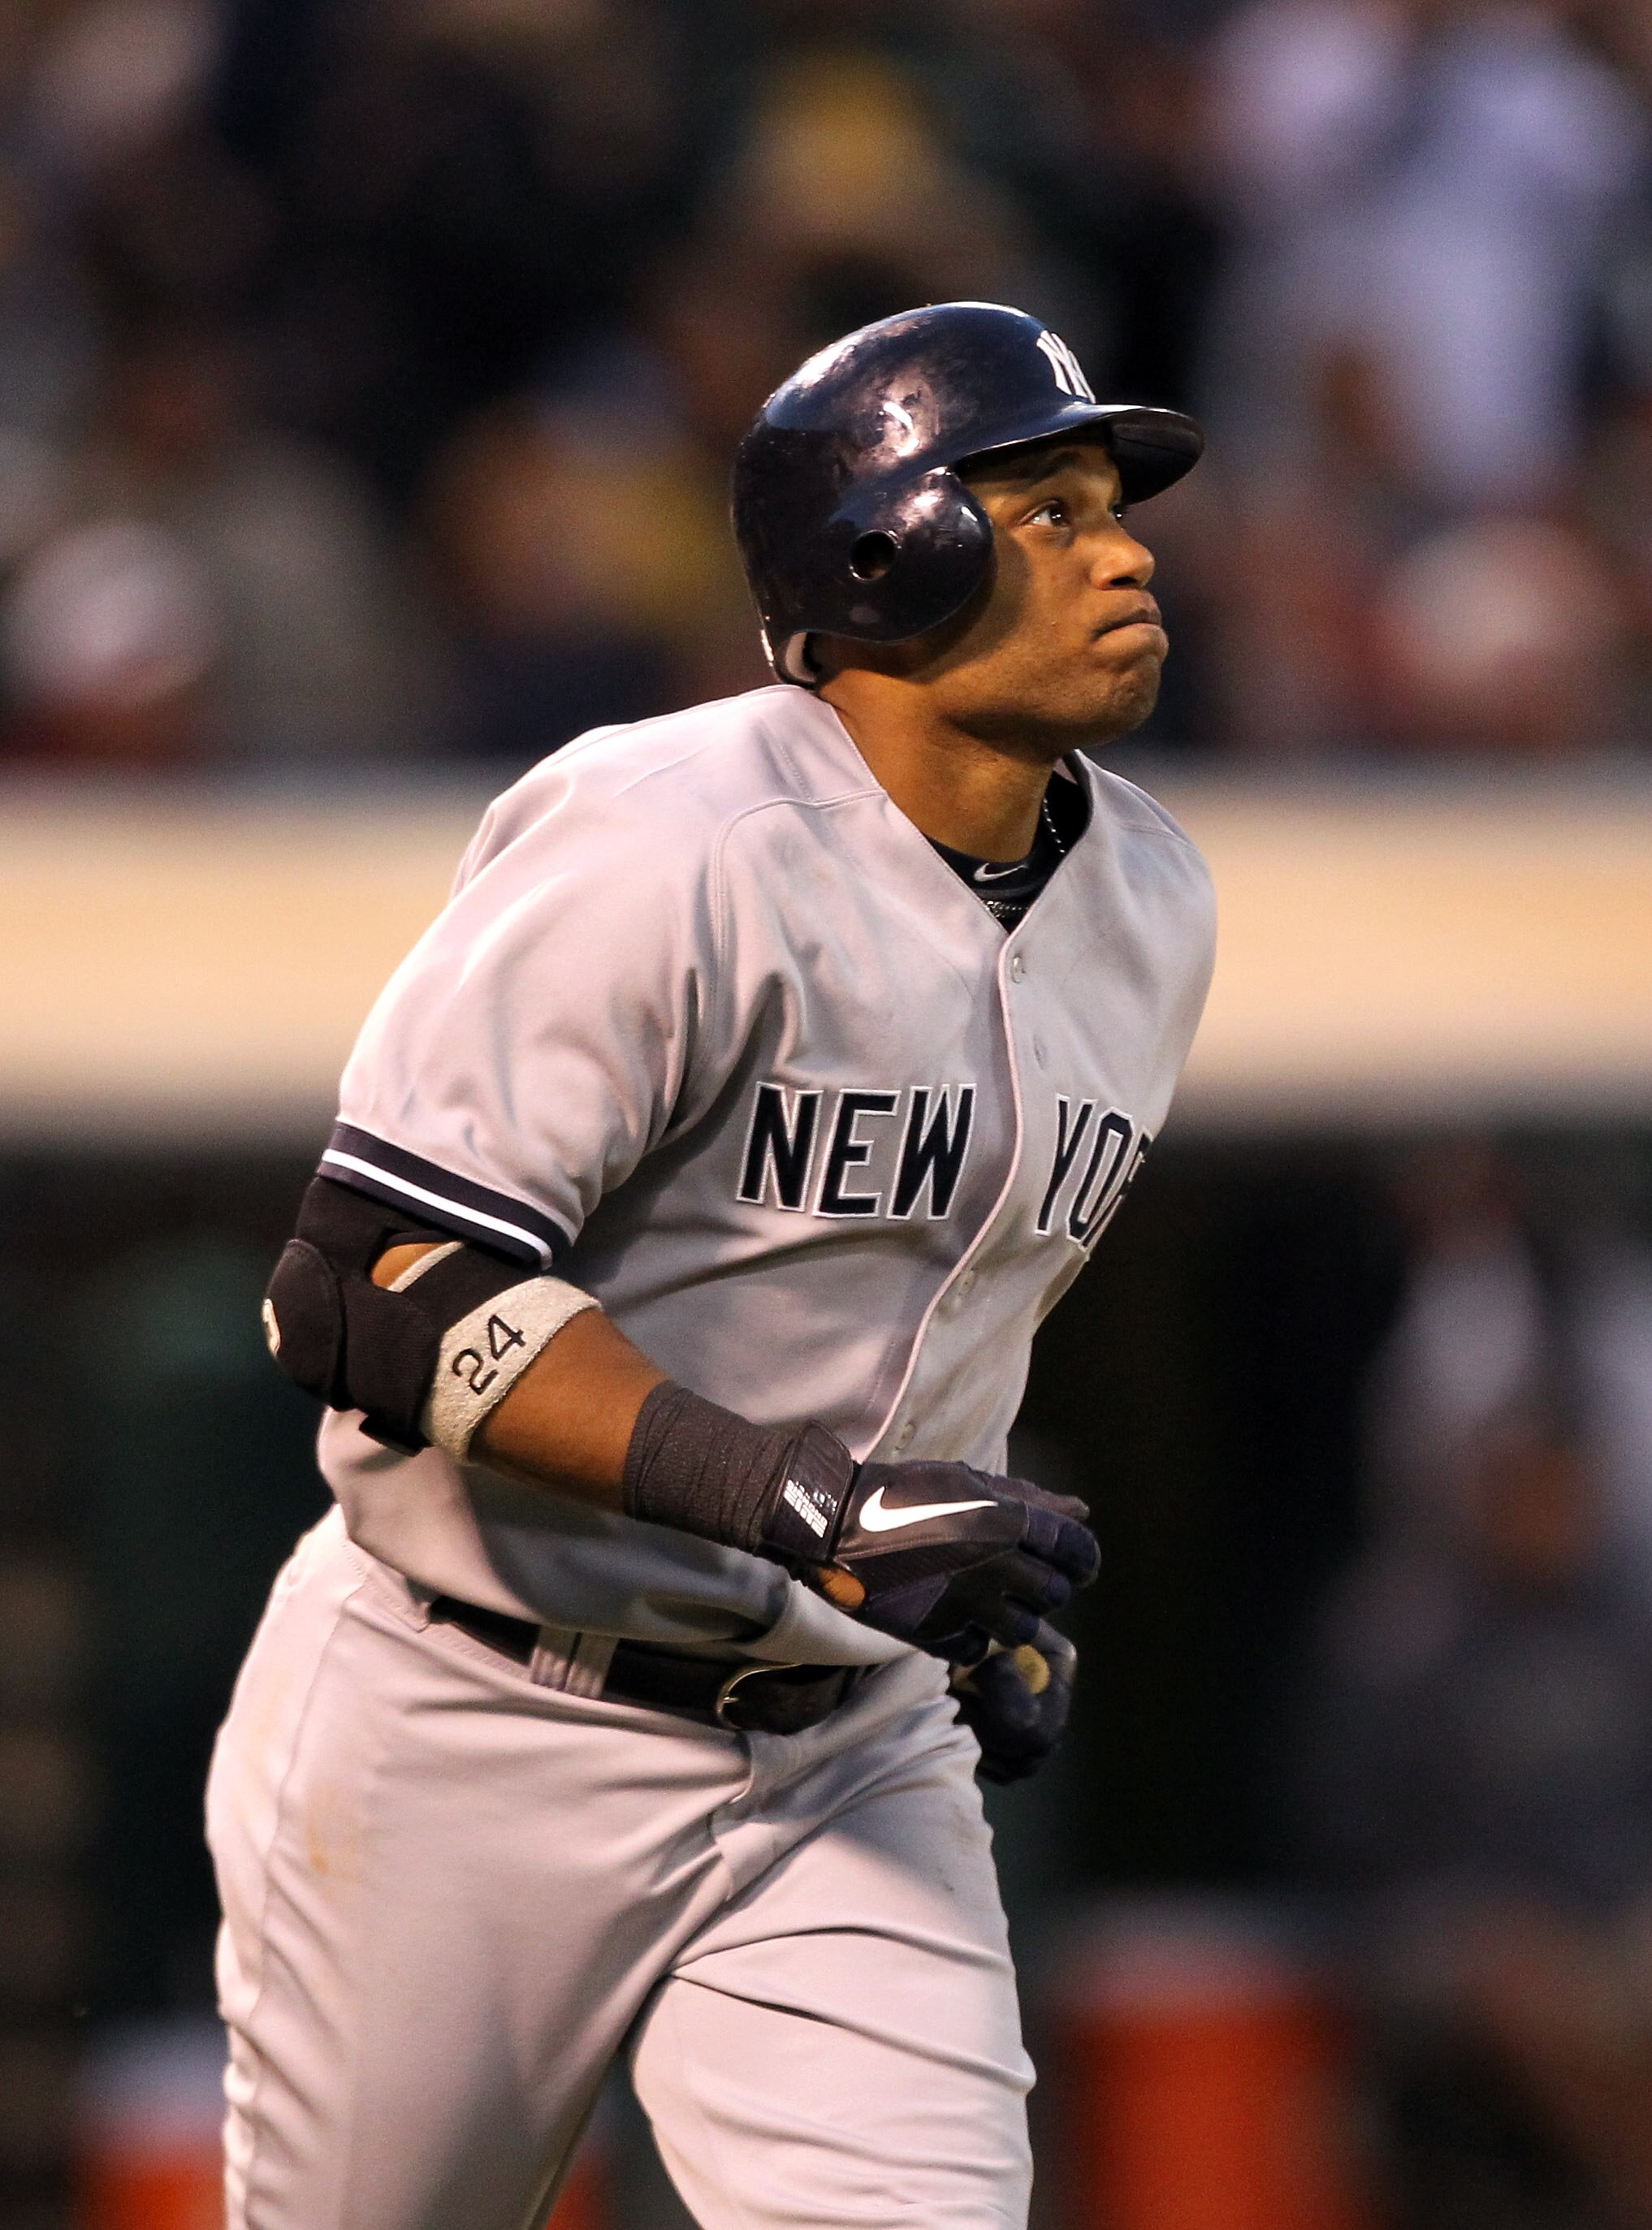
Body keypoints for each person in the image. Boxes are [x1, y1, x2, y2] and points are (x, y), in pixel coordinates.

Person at [210, 301, 1216, 2229]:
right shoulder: (668, 830)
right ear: (886, 547)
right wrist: (805, 1499)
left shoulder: (1155, 895)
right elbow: (363, 1284)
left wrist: (931, 1555)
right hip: (469, 1712)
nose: (1130, 549)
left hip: (842, 1749)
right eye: (1059, 504)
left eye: (1120, 506)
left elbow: (928, 1305)